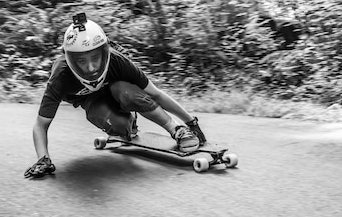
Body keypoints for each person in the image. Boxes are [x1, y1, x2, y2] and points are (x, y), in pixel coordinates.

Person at [24, 12, 206, 179]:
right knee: (118, 125)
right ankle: (128, 126)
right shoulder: (61, 75)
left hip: (119, 90)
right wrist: (43, 159)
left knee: (126, 92)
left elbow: (156, 94)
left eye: (95, 58)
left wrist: (190, 122)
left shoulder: (117, 60)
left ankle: (176, 130)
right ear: (69, 59)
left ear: (105, 53)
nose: (91, 68)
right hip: (92, 101)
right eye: (81, 61)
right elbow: (41, 125)